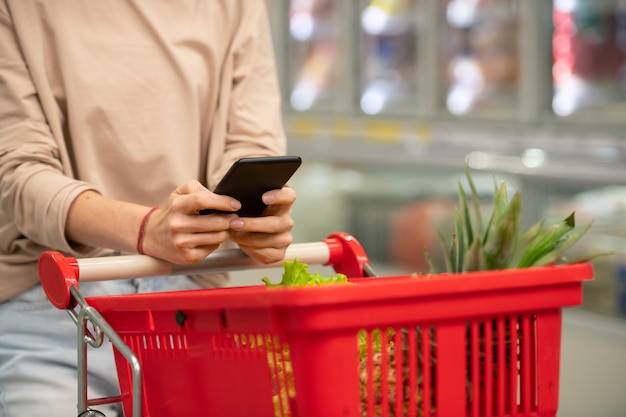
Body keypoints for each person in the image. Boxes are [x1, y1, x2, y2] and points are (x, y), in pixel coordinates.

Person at [0, 1, 295, 416]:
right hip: (57, 310)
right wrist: (146, 230)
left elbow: (250, 143)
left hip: (190, 307)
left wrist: (254, 215)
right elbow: (17, 173)